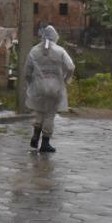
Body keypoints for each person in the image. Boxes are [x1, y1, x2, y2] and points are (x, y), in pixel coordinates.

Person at [24, 25, 75, 153]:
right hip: (55, 88)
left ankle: (35, 135)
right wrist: (65, 79)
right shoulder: (60, 51)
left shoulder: (34, 51)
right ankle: (45, 143)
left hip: (39, 87)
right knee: (50, 115)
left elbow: (27, 72)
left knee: (40, 112)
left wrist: (32, 83)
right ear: (55, 36)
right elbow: (71, 67)